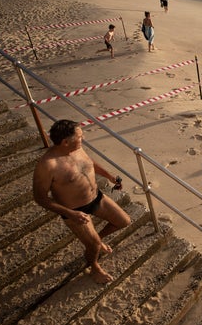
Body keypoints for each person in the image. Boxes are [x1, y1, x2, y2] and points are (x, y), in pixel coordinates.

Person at [32, 120, 131, 284]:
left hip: (96, 197)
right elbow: (40, 198)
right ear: (65, 142)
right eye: (79, 136)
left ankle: (96, 240)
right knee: (93, 247)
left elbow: (89, 164)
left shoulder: (76, 148)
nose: (83, 138)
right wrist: (71, 213)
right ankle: (94, 267)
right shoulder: (47, 165)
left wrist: (109, 176)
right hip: (75, 211)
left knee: (123, 221)